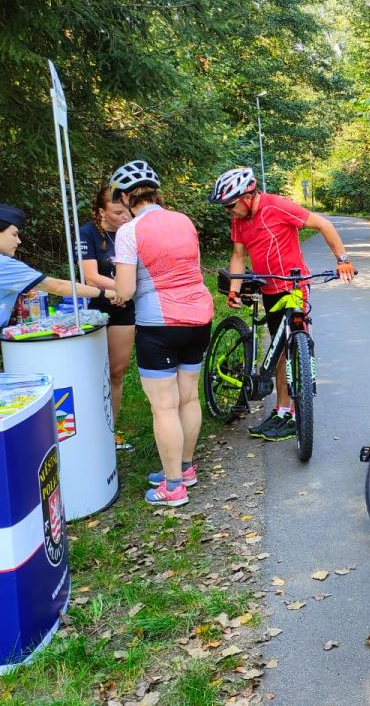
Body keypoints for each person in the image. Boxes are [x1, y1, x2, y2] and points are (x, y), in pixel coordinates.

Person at [208, 167, 355, 442]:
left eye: (230, 205)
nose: (228, 211)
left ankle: (299, 413)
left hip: (294, 287)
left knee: (296, 345)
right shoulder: (239, 221)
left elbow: (324, 224)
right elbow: (238, 255)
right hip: (268, 288)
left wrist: (342, 259)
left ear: (248, 196)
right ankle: (282, 410)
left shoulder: (277, 206)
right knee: (278, 350)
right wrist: (234, 289)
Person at [110, 161, 213, 508]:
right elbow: (192, 268)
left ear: (125, 197)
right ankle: (185, 469)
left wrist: (115, 292)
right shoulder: (184, 220)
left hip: (160, 324)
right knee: (189, 398)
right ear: (157, 193)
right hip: (199, 316)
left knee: (164, 407)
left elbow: (124, 290)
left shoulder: (129, 231)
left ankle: (172, 488)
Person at [0, 202, 115, 385]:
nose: (18, 241)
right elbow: (57, 286)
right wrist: (105, 294)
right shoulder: (0, 264)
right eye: (14, 234)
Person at [79, 186, 136, 450]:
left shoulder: (132, 230)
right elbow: (90, 275)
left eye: (127, 210)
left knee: (117, 371)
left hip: (126, 306)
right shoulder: (88, 233)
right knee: (94, 372)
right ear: (102, 212)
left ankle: (110, 430)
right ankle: (91, 430)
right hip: (100, 307)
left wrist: (126, 291)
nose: (125, 216)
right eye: (117, 212)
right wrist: (117, 289)